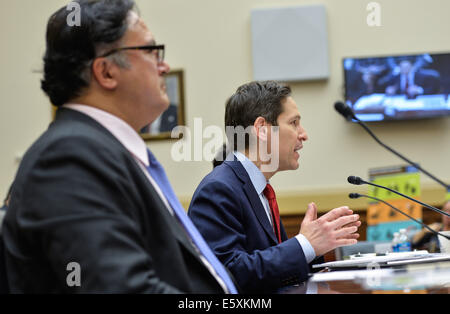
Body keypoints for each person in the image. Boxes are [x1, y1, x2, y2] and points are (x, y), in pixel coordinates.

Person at [2, 0, 237, 294]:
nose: (163, 65)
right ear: (107, 72)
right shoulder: (68, 158)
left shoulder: (104, 151)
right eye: (151, 51)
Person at [188, 81, 361, 293]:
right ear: (262, 129)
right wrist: (305, 244)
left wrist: (314, 247)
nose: (303, 134)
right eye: (294, 123)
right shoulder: (217, 189)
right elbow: (229, 274)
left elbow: (272, 272)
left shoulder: (260, 188)